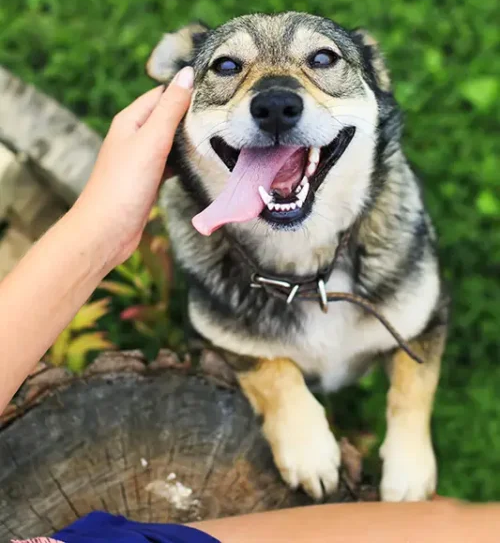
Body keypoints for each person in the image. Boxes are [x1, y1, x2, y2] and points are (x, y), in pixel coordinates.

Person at [1, 68, 499, 543]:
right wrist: (279, 392)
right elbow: (231, 339)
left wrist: (410, 426)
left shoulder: (399, 241)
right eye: (228, 66)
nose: (276, 97)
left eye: (322, 60)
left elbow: (424, 324)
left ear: (376, 85)